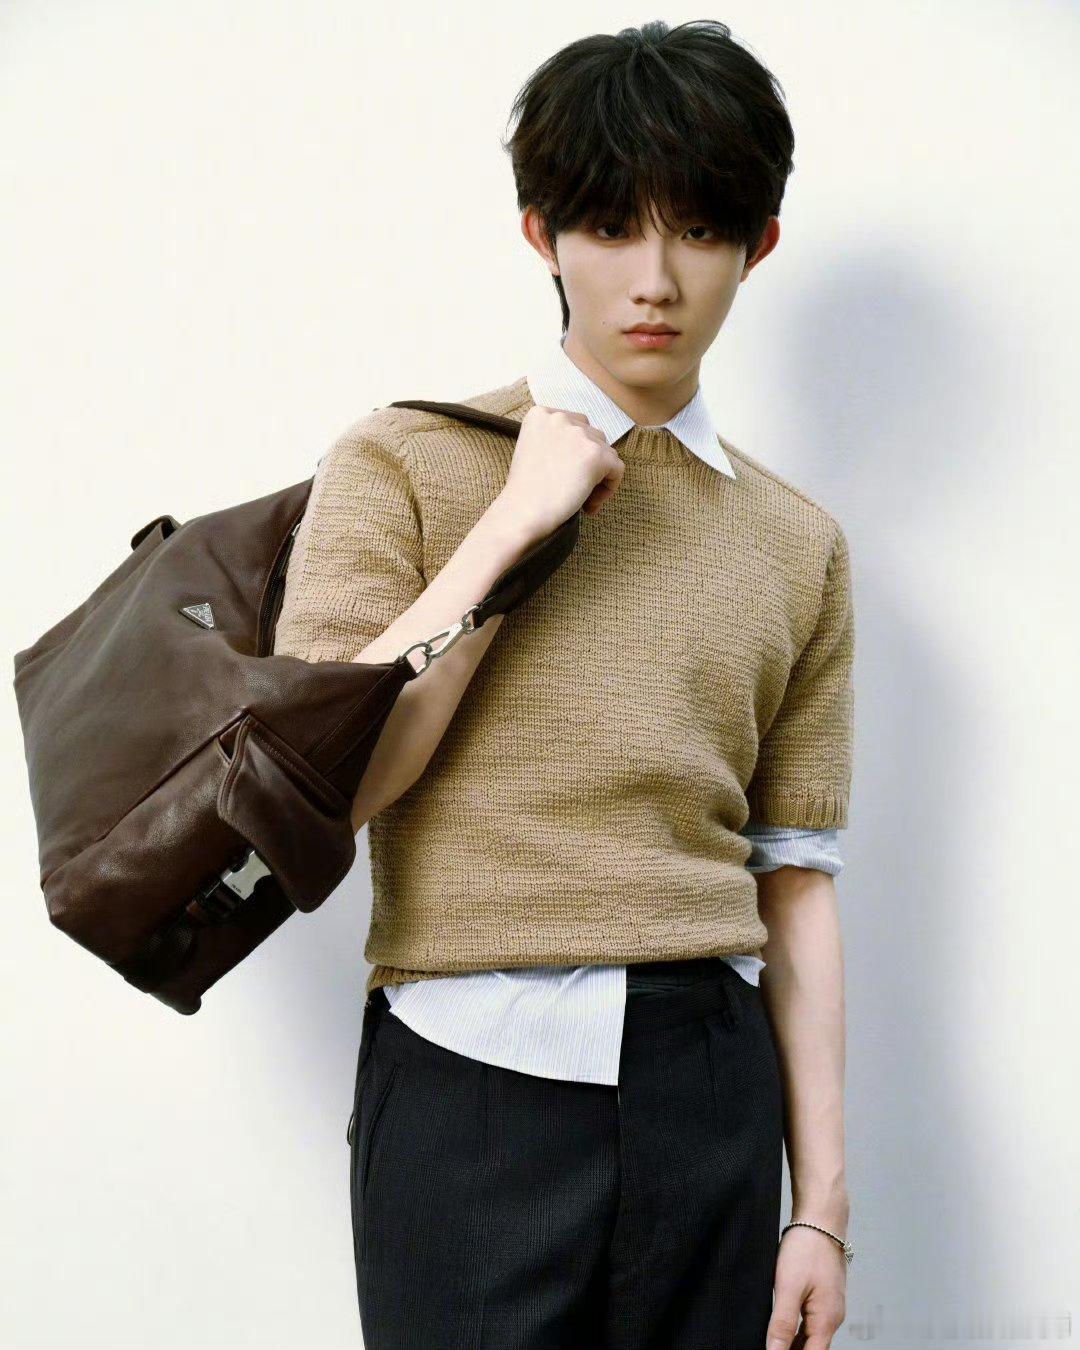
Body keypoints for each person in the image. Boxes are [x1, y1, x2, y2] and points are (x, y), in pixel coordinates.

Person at [274, 19, 855, 1350]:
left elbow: (796, 875)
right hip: (468, 1075)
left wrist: (820, 1205)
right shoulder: (403, 461)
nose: (654, 279)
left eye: (698, 230)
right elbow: (333, 783)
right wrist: (511, 530)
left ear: (758, 244)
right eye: (608, 225)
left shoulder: (799, 542)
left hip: (709, 1085)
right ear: (541, 232)